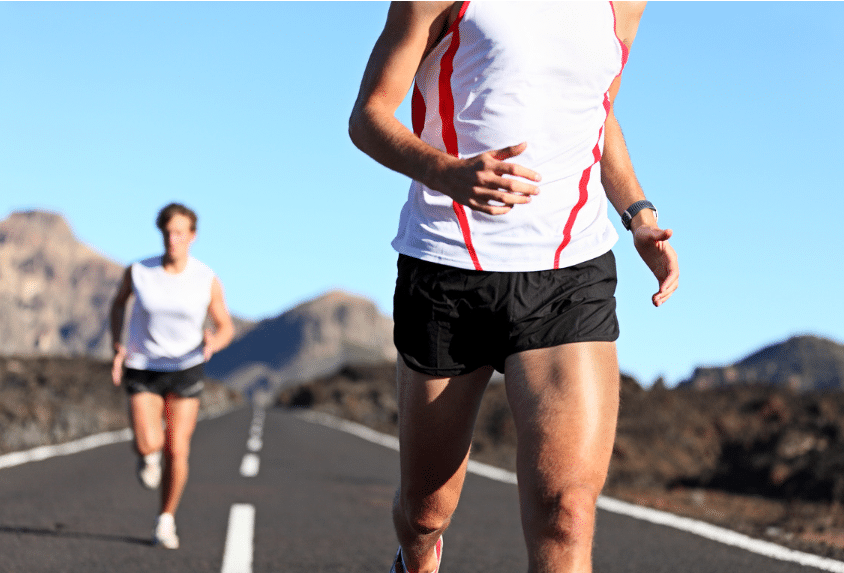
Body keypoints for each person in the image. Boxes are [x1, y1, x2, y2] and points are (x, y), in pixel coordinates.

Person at [349, 2, 678, 573]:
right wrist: (446, 172)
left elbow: (596, 112)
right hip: (448, 269)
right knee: (427, 512)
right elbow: (369, 116)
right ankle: (416, 558)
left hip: (570, 271)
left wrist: (638, 213)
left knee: (567, 511)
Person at [110, 203, 234, 549]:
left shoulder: (206, 278)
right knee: (148, 442)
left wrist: (213, 342)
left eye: (179, 232)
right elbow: (118, 304)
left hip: (186, 368)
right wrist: (117, 344)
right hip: (143, 366)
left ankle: (165, 519)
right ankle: (146, 455)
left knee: (177, 449)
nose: (172, 239)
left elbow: (225, 326)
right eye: (167, 232)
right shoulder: (139, 271)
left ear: (192, 236)